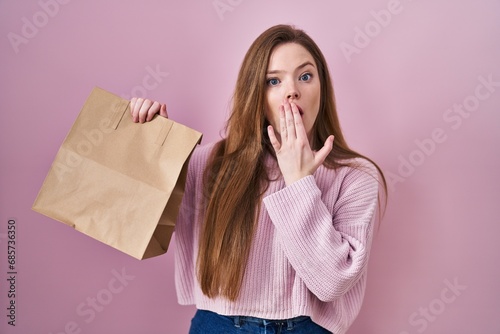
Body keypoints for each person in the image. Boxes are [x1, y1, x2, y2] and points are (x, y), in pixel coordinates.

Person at [129, 24, 387, 334]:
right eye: (273, 81)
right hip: (218, 326)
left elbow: (332, 283)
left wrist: (299, 181)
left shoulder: (355, 176)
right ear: (256, 94)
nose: (292, 90)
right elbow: (136, 223)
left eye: (305, 76)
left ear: (323, 87)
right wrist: (149, 141)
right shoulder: (207, 164)